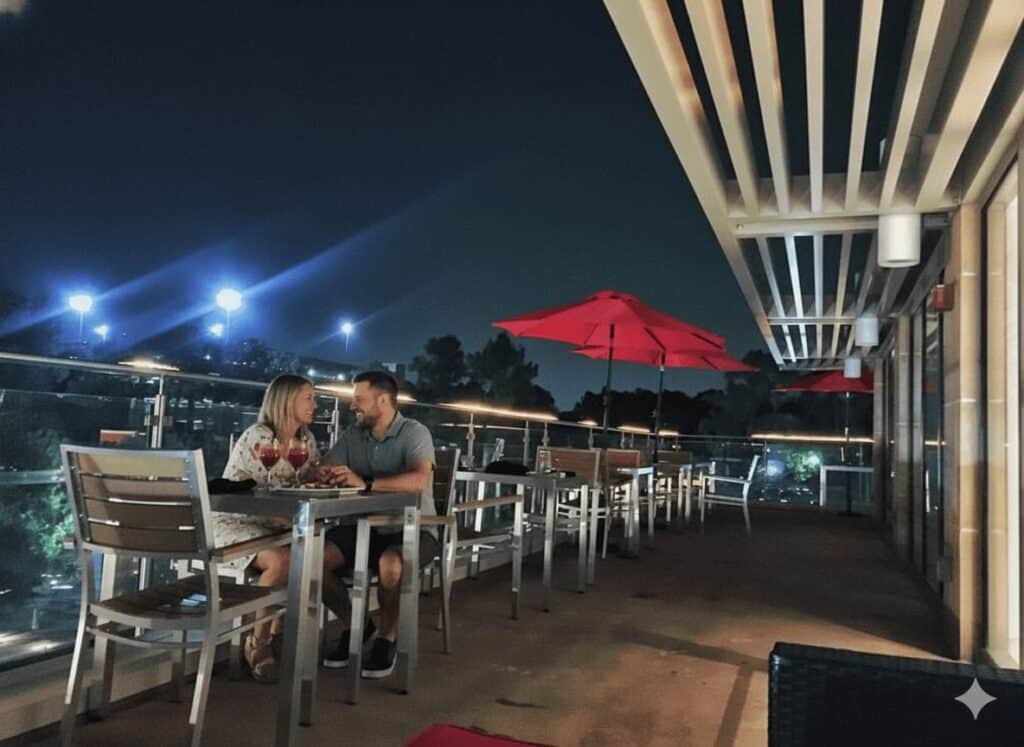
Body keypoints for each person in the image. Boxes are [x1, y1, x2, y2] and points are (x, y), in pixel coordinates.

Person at [218, 374, 347, 682]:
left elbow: (302, 484)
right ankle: (258, 641)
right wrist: (287, 519)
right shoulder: (260, 436)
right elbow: (252, 495)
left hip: (280, 525)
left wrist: (320, 476)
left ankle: (287, 627)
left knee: (319, 557)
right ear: (287, 401)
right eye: (308, 398)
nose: (315, 405)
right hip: (237, 521)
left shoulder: (306, 439)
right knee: (284, 561)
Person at [317, 370, 437, 678]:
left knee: (391, 565)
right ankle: (356, 624)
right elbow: (324, 466)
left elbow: (419, 480)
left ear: (382, 401)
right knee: (312, 560)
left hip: (413, 529)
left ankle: (386, 637)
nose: (352, 405)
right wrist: (325, 473)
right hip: (361, 528)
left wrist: (366, 483)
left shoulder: (415, 433)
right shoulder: (353, 435)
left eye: (359, 398)